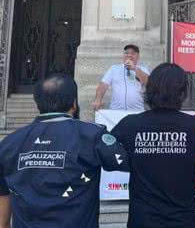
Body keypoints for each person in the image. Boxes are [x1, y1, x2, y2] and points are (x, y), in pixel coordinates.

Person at [0, 74, 129, 228]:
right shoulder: (91, 135)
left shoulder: (9, 143)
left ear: (38, 102)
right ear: (74, 103)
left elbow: (3, 194)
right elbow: (128, 161)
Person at [110, 63, 195, 228]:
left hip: (142, 220)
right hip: (182, 220)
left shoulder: (130, 125)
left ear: (149, 90)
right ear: (182, 92)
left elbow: (106, 154)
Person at [92, 44, 150, 111]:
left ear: (138, 56)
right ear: (123, 55)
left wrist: (135, 68)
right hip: (116, 110)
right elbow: (103, 85)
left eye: (133, 53)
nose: (129, 55)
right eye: (126, 53)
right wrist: (98, 100)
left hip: (137, 111)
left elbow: (148, 83)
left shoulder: (143, 69)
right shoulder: (114, 68)